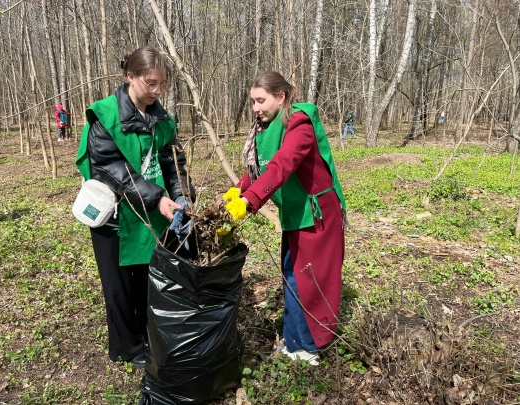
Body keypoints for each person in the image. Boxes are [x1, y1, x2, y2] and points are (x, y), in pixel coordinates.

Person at [75, 46, 195, 369]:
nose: (157, 91)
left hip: (149, 213)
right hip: (114, 216)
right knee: (118, 285)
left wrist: (182, 195)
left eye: (162, 84)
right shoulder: (105, 116)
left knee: (146, 277)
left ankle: (146, 332)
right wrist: (157, 198)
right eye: (150, 83)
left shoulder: (162, 119)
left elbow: (173, 164)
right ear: (130, 76)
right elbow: (112, 169)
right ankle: (126, 347)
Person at [224, 71, 346, 365]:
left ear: (280, 97)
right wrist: (238, 189)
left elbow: (282, 165)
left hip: (316, 215)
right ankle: (294, 343)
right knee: (292, 275)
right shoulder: (266, 128)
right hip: (295, 211)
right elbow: (259, 168)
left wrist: (249, 200)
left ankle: (308, 348)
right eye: (253, 101)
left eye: (261, 100)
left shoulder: (298, 123)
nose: (256, 108)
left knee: (309, 280)